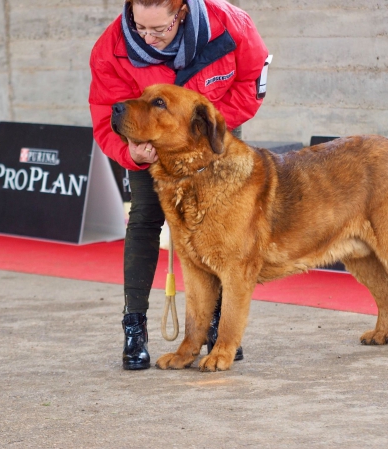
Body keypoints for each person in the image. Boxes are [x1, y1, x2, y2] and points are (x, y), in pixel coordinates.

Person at [89, 0, 269, 370]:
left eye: (160, 29)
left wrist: (204, 130)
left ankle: (218, 327)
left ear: (182, 13)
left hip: (212, 134)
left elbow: (252, 84)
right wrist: (132, 153)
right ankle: (134, 328)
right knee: (143, 218)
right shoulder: (111, 48)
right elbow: (107, 112)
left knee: (223, 235)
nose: (148, 37)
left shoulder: (231, 26)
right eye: (140, 27)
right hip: (146, 143)